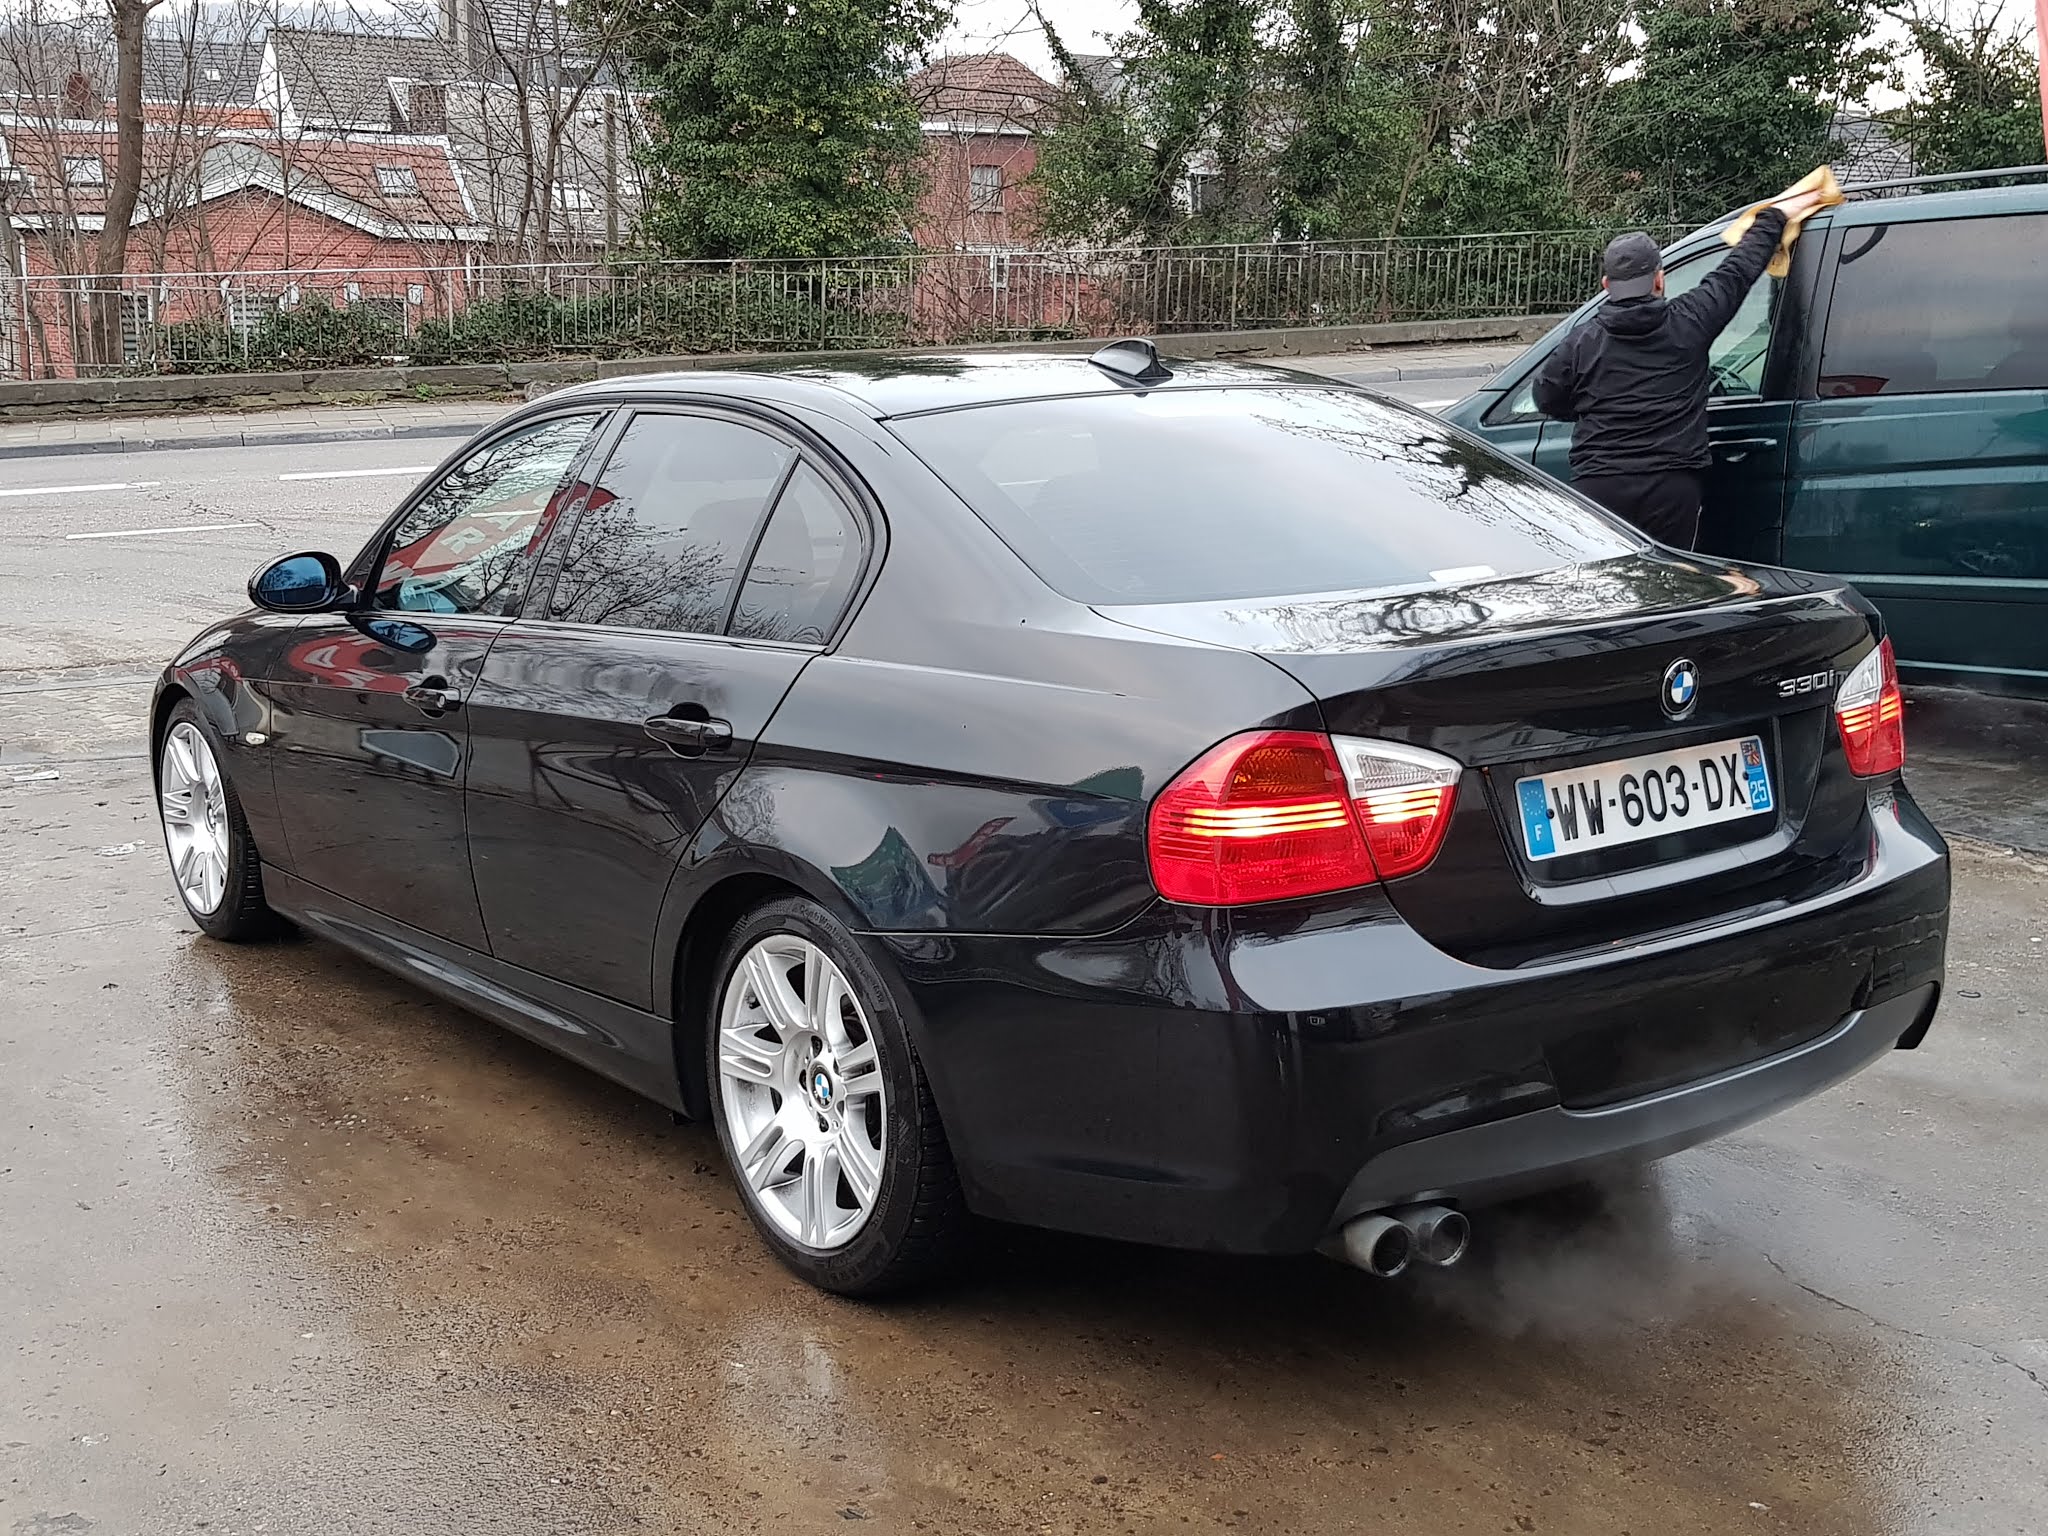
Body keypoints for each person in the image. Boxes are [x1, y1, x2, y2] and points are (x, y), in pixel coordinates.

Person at [1533, 183, 1830, 548]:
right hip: (1672, 490)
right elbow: (1737, 271)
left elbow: (1546, 397)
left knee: (1609, 577)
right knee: (1669, 578)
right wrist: (1775, 216)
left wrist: (1585, 407)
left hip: (1599, 485)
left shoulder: (1581, 341)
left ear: (1607, 285)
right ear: (1659, 279)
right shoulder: (1691, 320)